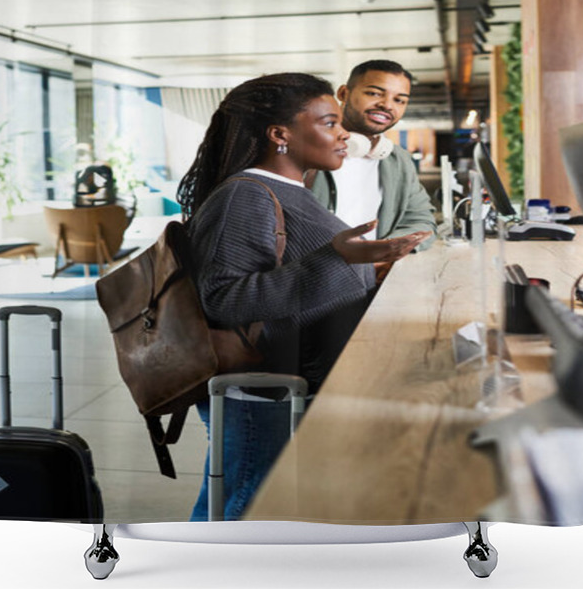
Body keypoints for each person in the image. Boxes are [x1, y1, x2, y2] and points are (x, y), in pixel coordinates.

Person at [176, 73, 431, 521]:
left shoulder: (288, 190)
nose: (343, 134)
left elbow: (295, 271)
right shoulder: (245, 196)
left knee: (260, 507)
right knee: (243, 508)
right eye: (330, 123)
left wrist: (361, 267)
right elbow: (222, 299)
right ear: (280, 135)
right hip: (260, 397)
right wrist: (337, 260)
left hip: (291, 387)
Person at [309, 60, 437, 250]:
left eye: (399, 100)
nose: (387, 105)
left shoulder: (397, 159)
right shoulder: (307, 149)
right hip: (311, 273)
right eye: (374, 93)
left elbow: (422, 220)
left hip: (373, 275)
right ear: (344, 93)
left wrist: (382, 251)